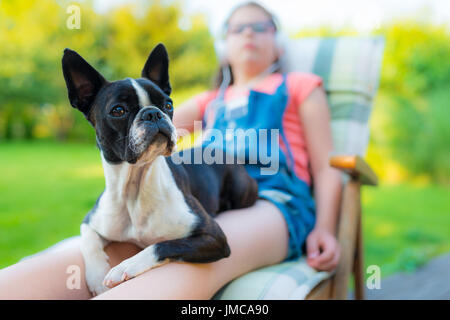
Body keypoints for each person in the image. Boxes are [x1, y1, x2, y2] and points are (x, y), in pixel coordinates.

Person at [0, 1, 341, 300]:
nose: (249, 34)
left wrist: (326, 227)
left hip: (273, 198)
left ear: (278, 45)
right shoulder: (212, 100)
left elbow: (327, 166)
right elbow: (149, 121)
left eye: (261, 27)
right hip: (193, 195)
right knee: (72, 262)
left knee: (187, 265)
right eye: (238, 28)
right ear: (224, 46)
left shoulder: (298, 85)